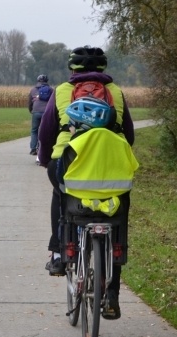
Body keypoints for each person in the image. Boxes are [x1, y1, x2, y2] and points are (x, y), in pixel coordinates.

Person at [37, 46, 136, 319]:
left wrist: (46, 160)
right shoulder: (115, 92)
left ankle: (59, 254)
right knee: (118, 215)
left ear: (73, 69)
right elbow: (129, 135)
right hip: (109, 166)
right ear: (103, 69)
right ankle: (112, 294)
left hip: (68, 162)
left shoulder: (61, 91)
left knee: (61, 194)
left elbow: (45, 134)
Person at [27, 74, 51, 156]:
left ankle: (33, 149)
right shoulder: (50, 90)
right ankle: (43, 149)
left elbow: (30, 102)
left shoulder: (33, 90)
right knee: (45, 130)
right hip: (46, 112)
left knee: (34, 130)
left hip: (36, 111)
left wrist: (31, 110)